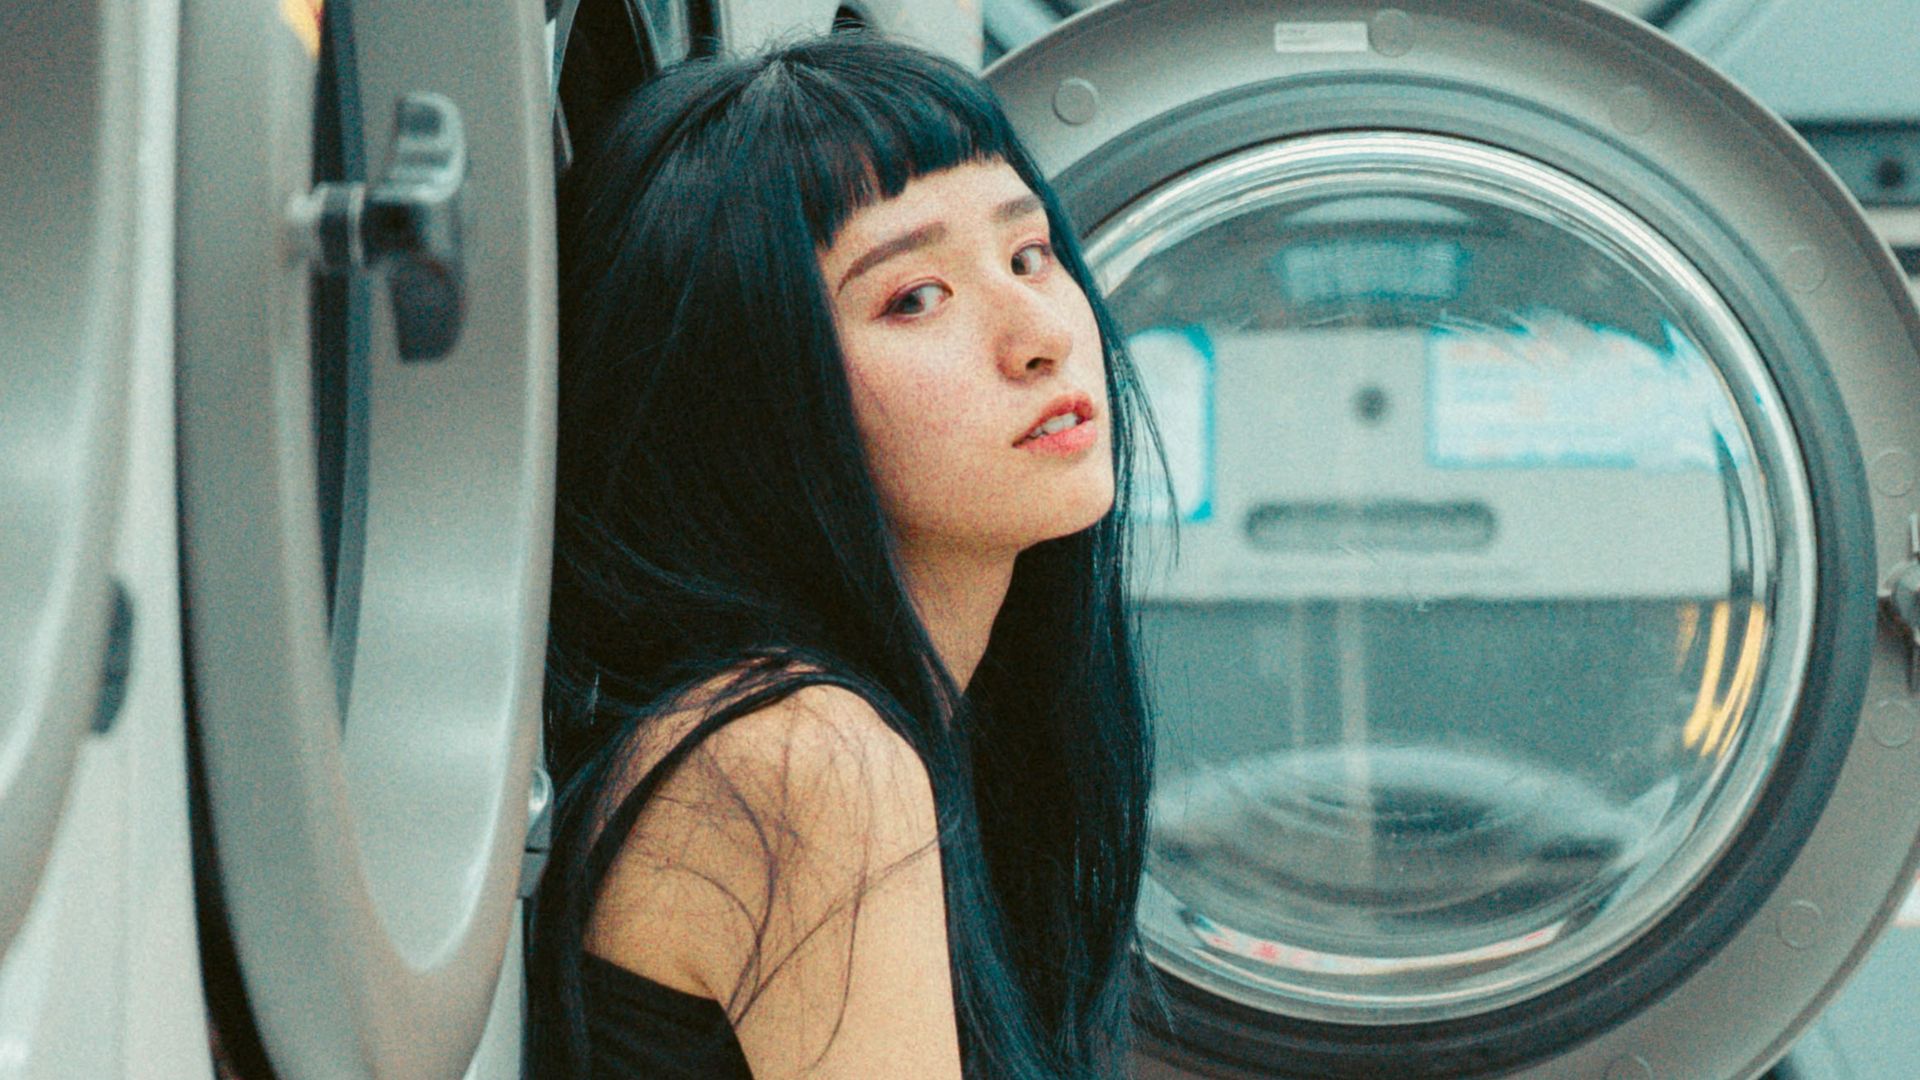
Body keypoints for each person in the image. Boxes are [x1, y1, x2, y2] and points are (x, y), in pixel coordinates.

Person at [527, 33, 1160, 1080]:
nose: (1037, 332)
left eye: (1027, 253)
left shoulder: (921, 738)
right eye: (915, 297)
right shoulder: (799, 758)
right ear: (755, 396)